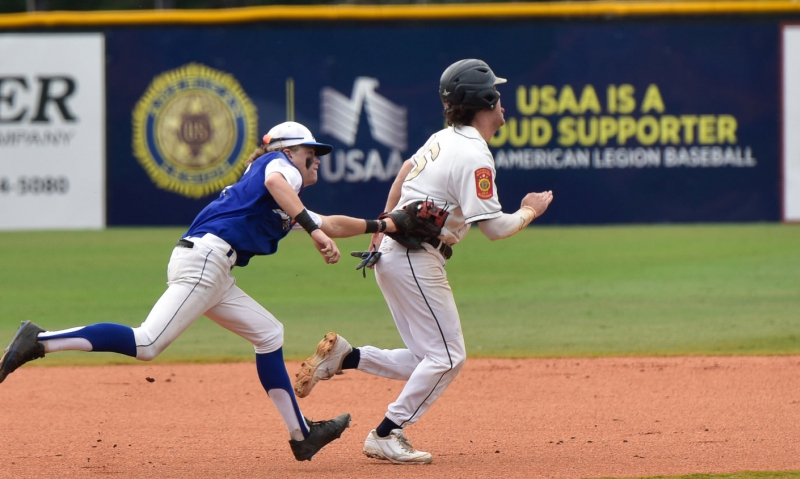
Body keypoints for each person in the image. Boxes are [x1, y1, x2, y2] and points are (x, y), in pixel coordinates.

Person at [0, 121, 399, 462]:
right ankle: (41, 340)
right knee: (147, 343)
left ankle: (302, 435)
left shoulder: (275, 194)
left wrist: (382, 226)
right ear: (289, 150)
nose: (316, 158)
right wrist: (311, 231)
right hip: (206, 260)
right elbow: (287, 191)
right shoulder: (279, 168)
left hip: (212, 266)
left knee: (268, 333)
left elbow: (328, 223)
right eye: (310, 151)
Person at [293, 59, 554, 464]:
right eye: (496, 93)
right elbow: (495, 229)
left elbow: (405, 170)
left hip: (396, 254)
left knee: (424, 358)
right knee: (449, 357)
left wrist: (383, 223)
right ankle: (387, 432)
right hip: (416, 256)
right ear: (484, 100)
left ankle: (346, 356)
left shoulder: (443, 138)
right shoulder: (475, 154)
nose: (502, 100)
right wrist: (530, 210)